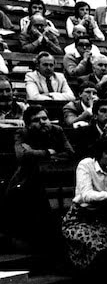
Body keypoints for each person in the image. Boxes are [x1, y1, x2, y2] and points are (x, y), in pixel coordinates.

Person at [4, 104, 73, 251]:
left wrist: (36, 154)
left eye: (45, 118)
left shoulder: (57, 130)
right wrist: (49, 152)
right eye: (36, 120)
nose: (42, 122)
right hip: (25, 179)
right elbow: (22, 156)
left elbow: (69, 153)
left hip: (53, 177)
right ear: (28, 124)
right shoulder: (22, 133)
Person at [61, 138, 107, 274]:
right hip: (80, 217)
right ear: (99, 153)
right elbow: (86, 195)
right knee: (98, 246)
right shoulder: (86, 165)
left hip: (104, 218)